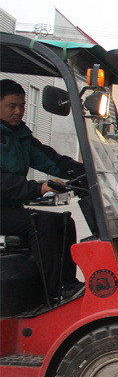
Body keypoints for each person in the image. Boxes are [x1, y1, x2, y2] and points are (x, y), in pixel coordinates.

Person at [0, 79, 85, 302]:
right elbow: (2, 183)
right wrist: (39, 187)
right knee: (41, 222)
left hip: (9, 208)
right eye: (12, 106)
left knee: (64, 222)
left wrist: (84, 173)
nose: (19, 111)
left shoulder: (20, 135)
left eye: (22, 105)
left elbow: (50, 159)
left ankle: (68, 285)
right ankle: (55, 291)